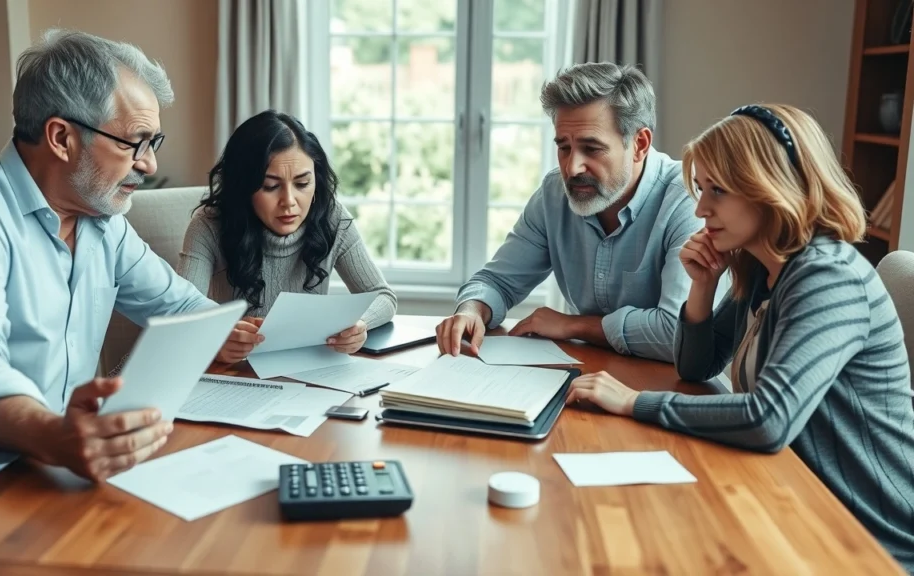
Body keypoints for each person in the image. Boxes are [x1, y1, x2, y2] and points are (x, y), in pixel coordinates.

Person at [0, 30, 240, 544]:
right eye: (134, 142)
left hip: (45, 471)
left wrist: (258, 331)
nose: (149, 164)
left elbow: (185, 309)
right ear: (60, 137)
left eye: (153, 142)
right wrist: (56, 436)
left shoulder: (103, 223)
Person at [566, 104, 914, 571]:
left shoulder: (828, 278)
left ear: (770, 188)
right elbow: (695, 367)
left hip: (866, 540)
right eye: (701, 188)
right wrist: (703, 287)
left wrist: (633, 402)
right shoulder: (764, 267)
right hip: (793, 497)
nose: (700, 208)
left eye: (718, 190)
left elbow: (768, 419)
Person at [436, 62, 722, 362]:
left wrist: (574, 326)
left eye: (592, 148)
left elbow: (676, 333)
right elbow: (498, 282)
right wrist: (471, 310)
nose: (572, 168)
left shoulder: (688, 200)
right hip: (590, 375)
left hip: (668, 388)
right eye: (564, 148)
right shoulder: (553, 194)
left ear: (639, 144)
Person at [177, 110, 397, 363]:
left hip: (308, 370)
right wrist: (216, 340)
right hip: (235, 373)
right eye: (270, 186)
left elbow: (384, 296)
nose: (289, 202)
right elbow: (181, 316)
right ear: (243, 187)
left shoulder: (332, 217)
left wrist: (359, 325)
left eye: (302, 184)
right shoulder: (208, 225)